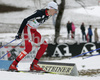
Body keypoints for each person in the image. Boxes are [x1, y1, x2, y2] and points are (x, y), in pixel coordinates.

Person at [9, 1, 58, 71]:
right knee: (28, 48)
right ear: (50, 8)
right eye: (55, 10)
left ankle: (34, 65)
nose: (56, 12)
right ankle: (13, 64)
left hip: (34, 31)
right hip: (28, 29)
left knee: (44, 45)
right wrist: (19, 33)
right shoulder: (40, 14)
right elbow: (25, 20)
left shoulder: (49, 15)